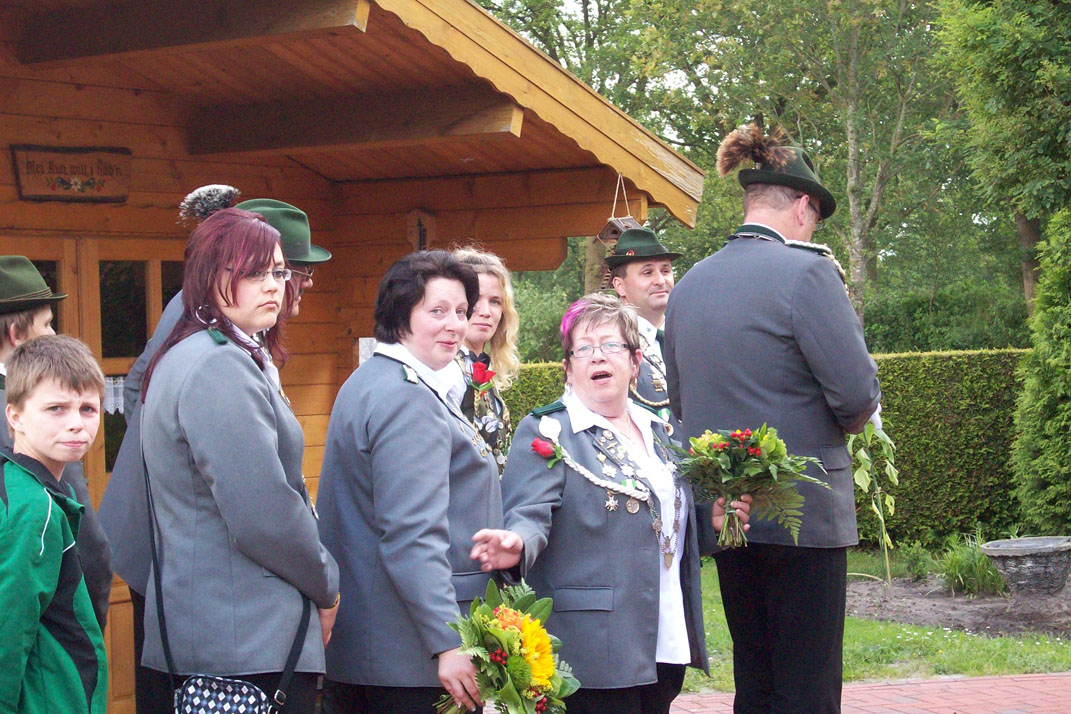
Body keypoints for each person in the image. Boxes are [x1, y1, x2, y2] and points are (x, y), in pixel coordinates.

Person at [664, 123, 882, 714]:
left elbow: (680, 403)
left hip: (728, 516)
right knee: (807, 688)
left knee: (755, 683)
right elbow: (857, 395)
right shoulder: (808, 273)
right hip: (804, 515)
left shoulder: (688, 287)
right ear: (803, 206)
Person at [98, 192, 332, 713]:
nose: (273, 285)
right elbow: (264, 514)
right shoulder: (217, 363)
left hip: (222, 628)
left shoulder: (206, 351)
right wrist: (327, 583)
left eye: (278, 272)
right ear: (209, 277)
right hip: (241, 634)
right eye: (254, 273)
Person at [471, 293, 751, 714]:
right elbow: (529, 513)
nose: (597, 356)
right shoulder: (549, 431)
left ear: (635, 362)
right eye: (583, 348)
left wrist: (708, 522)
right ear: (568, 369)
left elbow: (665, 518)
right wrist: (517, 543)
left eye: (610, 345)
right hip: (591, 647)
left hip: (662, 635)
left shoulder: (662, 431)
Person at [316, 250, 505, 714]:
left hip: (371, 651)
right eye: (437, 311)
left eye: (460, 311)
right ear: (400, 315)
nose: (454, 325)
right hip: (408, 656)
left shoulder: (368, 380)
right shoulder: (408, 399)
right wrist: (448, 640)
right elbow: (412, 534)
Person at [0, 255, 112, 630]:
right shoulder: (30, 418)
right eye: (47, 324)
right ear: (16, 335)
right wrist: (86, 633)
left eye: (87, 409)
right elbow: (88, 548)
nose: (52, 334)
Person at [0, 334, 108, 714]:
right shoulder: (33, 508)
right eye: (56, 409)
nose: (76, 424)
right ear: (15, 416)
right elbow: (7, 633)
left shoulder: (32, 487)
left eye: (88, 409)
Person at [606, 228, 682, 435]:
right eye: (647, 273)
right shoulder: (611, 345)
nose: (660, 280)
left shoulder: (689, 335)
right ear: (620, 286)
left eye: (665, 271)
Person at [451, 247, 520, 472]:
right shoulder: (444, 371)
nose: (486, 311)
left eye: (495, 301)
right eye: (476, 299)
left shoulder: (481, 368)